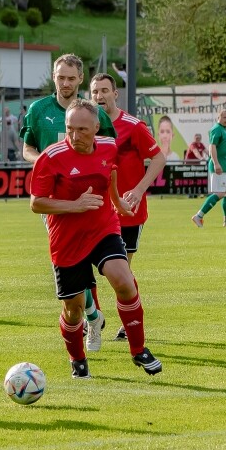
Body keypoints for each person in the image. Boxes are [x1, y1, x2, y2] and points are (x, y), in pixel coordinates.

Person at [28, 98, 162, 379]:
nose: (75, 136)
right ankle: (77, 359)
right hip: (66, 239)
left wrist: (117, 202)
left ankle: (138, 350)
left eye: (82, 130)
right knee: (74, 311)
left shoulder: (108, 147)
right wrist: (74, 206)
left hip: (103, 227)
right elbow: (37, 203)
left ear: (97, 127)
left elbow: (110, 174)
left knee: (124, 281)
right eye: (69, 129)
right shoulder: (50, 157)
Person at [20, 53, 117, 351]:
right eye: (60, 77)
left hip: (90, 200)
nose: (65, 83)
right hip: (56, 201)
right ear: (54, 77)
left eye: (71, 78)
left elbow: (110, 154)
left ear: (80, 81)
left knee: (91, 261)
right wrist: (47, 164)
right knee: (69, 264)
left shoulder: (93, 114)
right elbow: (27, 149)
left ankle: (92, 320)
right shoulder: (38, 110)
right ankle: (92, 316)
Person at [90, 73, 167, 342]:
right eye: (94, 92)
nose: (99, 96)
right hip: (97, 209)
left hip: (128, 212)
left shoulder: (133, 126)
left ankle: (128, 323)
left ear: (115, 94)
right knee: (83, 268)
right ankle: (93, 317)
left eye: (104, 91)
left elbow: (158, 158)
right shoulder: (89, 127)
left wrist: (139, 188)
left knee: (122, 271)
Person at [191, 110, 226, 228]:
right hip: (220, 167)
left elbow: (223, 147)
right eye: (224, 117)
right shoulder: (216, 129)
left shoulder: (224, 130)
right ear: (219, 117)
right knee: (220, 193)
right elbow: (212, 147)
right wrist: (216, 163)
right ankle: (198, 216)